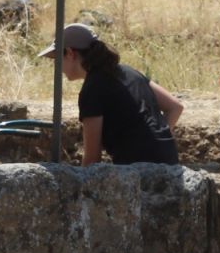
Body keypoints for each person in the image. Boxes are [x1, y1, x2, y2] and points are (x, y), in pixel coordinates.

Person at [40, 22, 182, 165]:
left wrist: (80, 186)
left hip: (136, 172)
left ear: (70, 53)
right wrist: (156, 141)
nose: (56, 65)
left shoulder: (92, 89)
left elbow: (92, 159)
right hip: (170, 163)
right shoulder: (128, 72)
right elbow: (175, 107)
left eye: (56, 58)